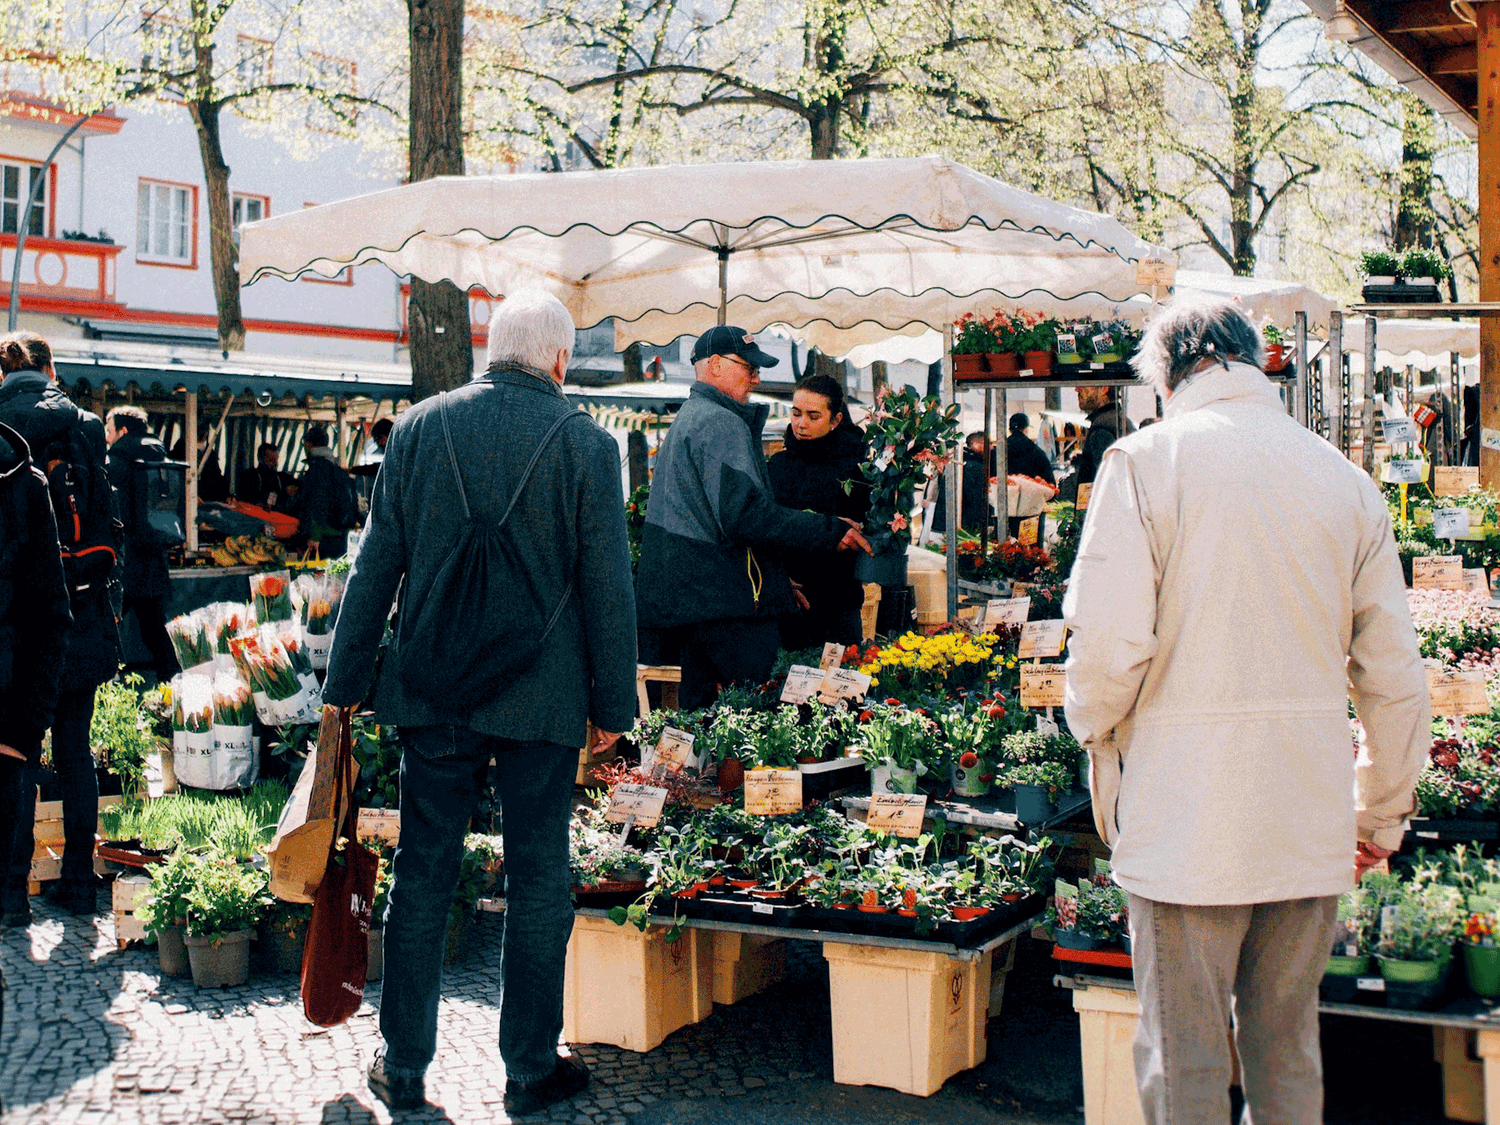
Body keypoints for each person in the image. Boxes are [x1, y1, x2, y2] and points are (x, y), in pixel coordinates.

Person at [1062, 297, 1428, 1125]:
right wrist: (1380, 808)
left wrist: (1093, 729)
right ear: (1255, 362)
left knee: (1184, 1060)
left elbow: (1108, 650)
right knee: (1286, 1048)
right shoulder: (1342, 477)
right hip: (1304, 809)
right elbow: (1394, 674)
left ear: (1168, 376)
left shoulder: (1144, 462)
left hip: (1181, 810)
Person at [322, 289, 636, 1116]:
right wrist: (614, 707)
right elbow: (609, 590)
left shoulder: (421, 427)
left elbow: (374, 563)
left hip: (432, 688)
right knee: (541, 879)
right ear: (560, 359)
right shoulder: (586, 445)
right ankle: (531, 1069)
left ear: (491, 349)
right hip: (541, 697)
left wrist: (344, 685)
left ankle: (406, 1064)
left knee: (423, 875)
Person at [634, 325, 870, 710]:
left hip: (698, 606)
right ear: (714, 365)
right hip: (728, 608)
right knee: (752, 724)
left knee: (703, 721)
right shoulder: (720, 422)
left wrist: (774, 581)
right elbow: (745, 518)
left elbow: (720, 520)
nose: (757, 378)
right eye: (749, 367)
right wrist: (828, 531)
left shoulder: (690, 417)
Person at [0, 331, 122, 918]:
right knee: (74, 749)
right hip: (78, 608)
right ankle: (78, 883)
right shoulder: (87, 426)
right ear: (51, 368)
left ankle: (12, 889)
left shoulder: (1, 428)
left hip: (15, 619)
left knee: (14, 750)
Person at [0, 417, 74, 930]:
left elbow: (52, 613)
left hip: (9, 703)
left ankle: (9, 896)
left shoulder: (25, 487)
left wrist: (27, 723)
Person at [766, 374, 871, 650]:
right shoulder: (776, 466)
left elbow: (865, 532)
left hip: (838, 604)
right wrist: (780, 580)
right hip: (786, 602)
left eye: (814, 416)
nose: (801, 424)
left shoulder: (855, 469)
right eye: (796, 413)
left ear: (835, 420)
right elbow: (763, 528)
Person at [104, 406, 177, 684]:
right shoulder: (160, 458)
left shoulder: (115, 462)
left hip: (123, 562)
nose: (107, 438)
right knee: (156, 632)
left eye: (109, 431)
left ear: (122, 431)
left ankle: (108, 689)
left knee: (108, 629)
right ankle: (172, 687)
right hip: (155, 560)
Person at [294, 425, 357, 559]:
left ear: (308, 444)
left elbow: (318, 503)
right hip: (339, 534)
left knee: (318, 576)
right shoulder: (334, 466)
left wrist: (314, 536)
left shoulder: (317, 469)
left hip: (323, 538)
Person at [928, 431, 992, 538]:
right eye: (988, 444)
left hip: (944, 524)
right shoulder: (974, 467)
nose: (991, 448)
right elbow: (976, 500)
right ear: (976, 445)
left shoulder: (958, 462)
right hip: (963, 528)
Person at [1073, 385, 1133, 485]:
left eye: (1084, 384)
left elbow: (1109, 481)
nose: (1077, 389)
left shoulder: (1102, 428)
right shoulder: (1118, 420)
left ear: (1104, 388)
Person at [237, 442, 292, 509]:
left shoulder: (280, 478)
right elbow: (244, 499)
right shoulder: (250, 476)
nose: (274, 464)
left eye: (276, 460)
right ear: (261, 460)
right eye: (271, 460)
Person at [1006, 412, 1054, 485]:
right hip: (1031, 493)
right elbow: (1050, 481)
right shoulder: (1036, 451)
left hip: (1005, 493)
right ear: (1025, 429)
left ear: (1010, 430)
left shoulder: (999, 450)